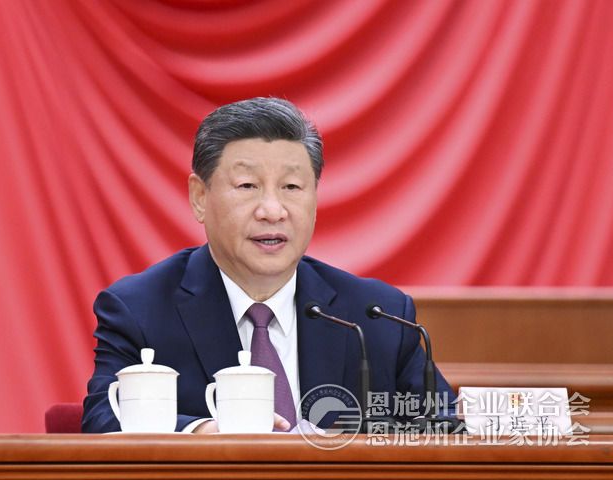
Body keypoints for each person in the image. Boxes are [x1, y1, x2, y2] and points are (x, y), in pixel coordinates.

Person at [82, 97, 455, 433]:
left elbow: (447, 428)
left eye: (291, 187)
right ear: (199, 197)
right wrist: (200, 433)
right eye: (247, 186)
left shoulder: (377, 316)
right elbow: (104, 418)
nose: (273, 211)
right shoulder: (140, 310)